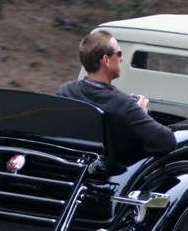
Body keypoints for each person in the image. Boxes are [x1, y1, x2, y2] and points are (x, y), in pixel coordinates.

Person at [57, 30, 177, 164]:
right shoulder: (124, 104)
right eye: (119, 54)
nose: (122, 58)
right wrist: (142, 113)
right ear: (106, 60)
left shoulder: (66, 91)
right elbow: (167, 142)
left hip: (73, 166)